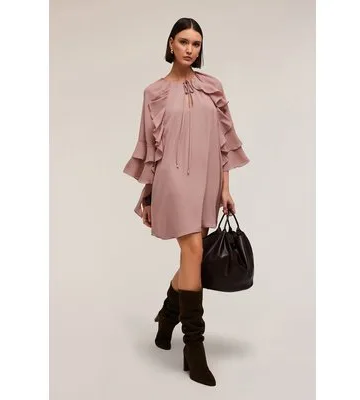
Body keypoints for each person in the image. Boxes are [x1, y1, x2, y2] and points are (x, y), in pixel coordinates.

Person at [123, 17, 250, 386]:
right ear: (171, 44)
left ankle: (167, 317)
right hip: (173, 180)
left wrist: (225, 188)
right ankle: (194, 347)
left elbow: (225, 142)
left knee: (193, 256)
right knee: (193, 249)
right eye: (183, 42)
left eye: (196, 43)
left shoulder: (212, 86)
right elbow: (151, 147)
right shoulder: (154, 92)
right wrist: (148, 193)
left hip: (207, 179)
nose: (190, 49)